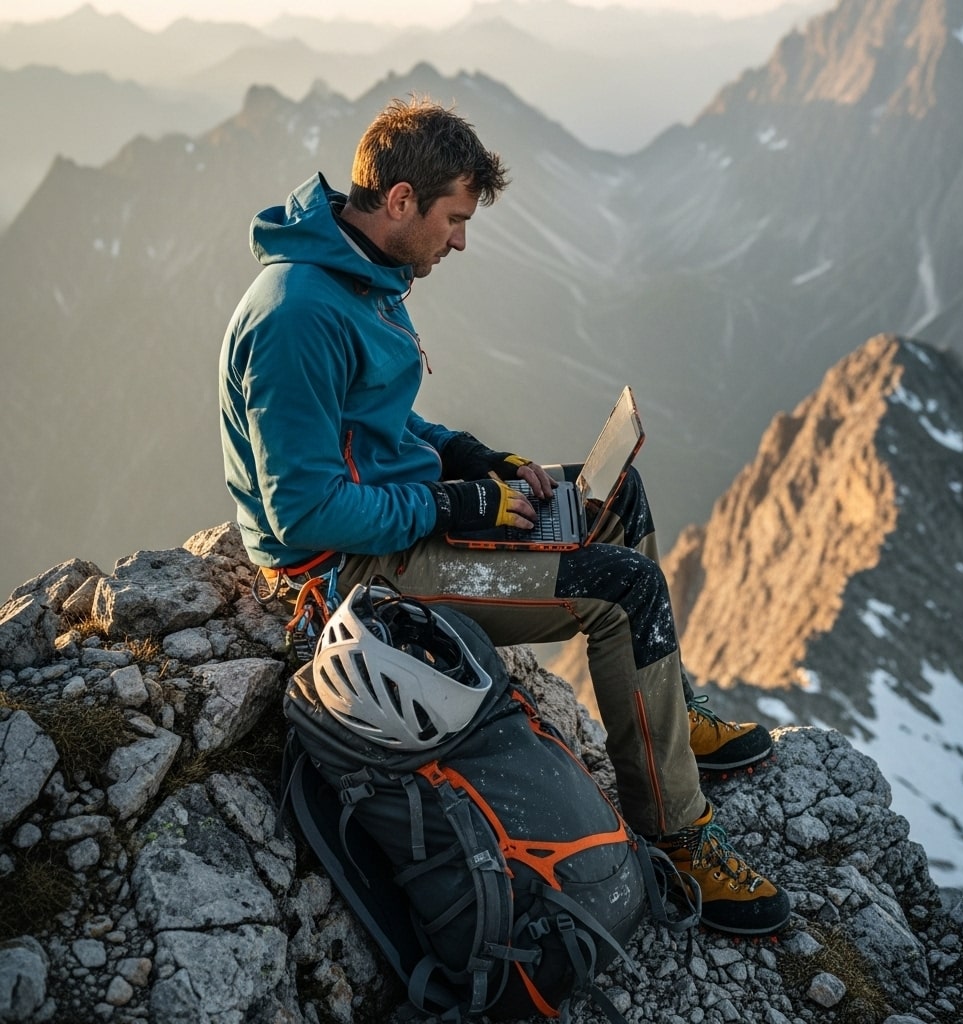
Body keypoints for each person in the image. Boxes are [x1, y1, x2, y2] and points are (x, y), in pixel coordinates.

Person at [219, 97, 790, 937]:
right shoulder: (298, 315)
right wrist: (458, 503)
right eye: (453, 219)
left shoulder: (361, 272)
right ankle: (675, 834)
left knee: (613, 496)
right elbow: (304, 512)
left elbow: (376, 423)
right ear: (401, 200)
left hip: (398, 522)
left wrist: (473, 459)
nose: (459, 241)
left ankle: (669, 713)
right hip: (346, 573)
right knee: (622, 591)